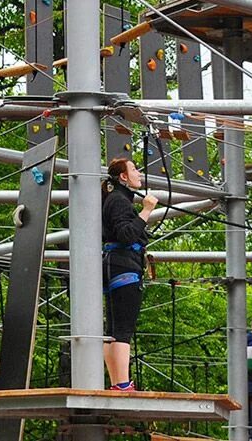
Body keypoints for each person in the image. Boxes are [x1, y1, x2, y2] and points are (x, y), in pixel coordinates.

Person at [101, 157, 158, 390]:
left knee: (113, 329)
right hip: (125, 267)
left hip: (114, 265)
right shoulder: (120, 201)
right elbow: (126, 234)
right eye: (134, 170)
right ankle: (123, 383)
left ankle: (117, 382)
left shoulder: (112, 200)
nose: (139, 174)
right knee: (123, 329)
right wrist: (146, 211)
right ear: (123, 176)